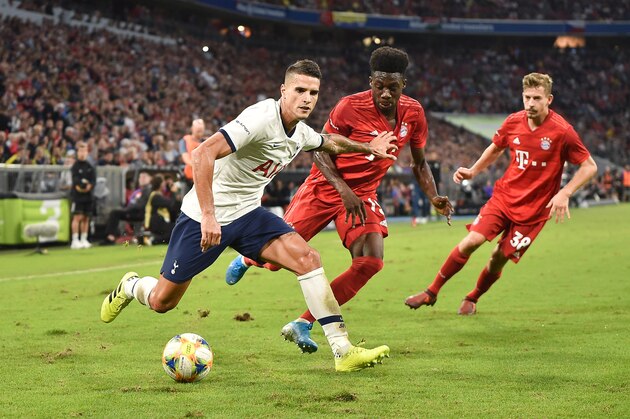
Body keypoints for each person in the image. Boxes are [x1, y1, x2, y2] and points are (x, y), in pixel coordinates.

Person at [100, 59, 398, 372]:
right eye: (300, 90)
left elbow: (330, 142)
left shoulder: (299, 133)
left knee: (308, 258)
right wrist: (209, 216)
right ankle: (132, 286)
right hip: (203, 218)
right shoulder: (260, 118)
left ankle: (343, 350)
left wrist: (369, 147)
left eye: (313, 92)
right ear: (283, 91)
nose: (307, 98)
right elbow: (202, 153)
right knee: (163, 301)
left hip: (249, 215)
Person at [225, 46, 453, 353]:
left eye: (393, 87)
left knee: (370, 262)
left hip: (363, 196)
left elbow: (420, 163)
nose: (385, 93)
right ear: (371, 81)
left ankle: (302, 323)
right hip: (324, 188)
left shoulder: (414, 113)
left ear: (403, 86)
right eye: (379, 85)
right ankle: (248, 258)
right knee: (275, 262)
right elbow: (320, 149)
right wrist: (343, 190)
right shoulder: (349, 107)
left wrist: (434, 195)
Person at [404, 72, 598, 315]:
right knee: (471, 241)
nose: (530, 103)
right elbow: (496, 148)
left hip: (534, 212)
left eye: (537, 98)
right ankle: (431, 292)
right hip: (504, 198)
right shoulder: (513, 121)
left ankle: (472, 298)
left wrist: (565, 192)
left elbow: (590, 166)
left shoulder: (563, 132)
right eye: (527, 97)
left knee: (498, 257)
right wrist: (474, 170)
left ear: (549, 99)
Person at [101, 171, 153, 245]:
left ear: (150, 179)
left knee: (115, 213)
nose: (142, 179)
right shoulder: (138, 191)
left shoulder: (148, 190)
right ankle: (110, 236)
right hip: (132, 211)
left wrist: (128, 208)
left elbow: (141, 205)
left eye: (144, 177)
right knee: (114, 212)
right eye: (140, 177)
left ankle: (110, 237)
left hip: (139, 213)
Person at [70, 142, 96, 249]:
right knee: (77, 217)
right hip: (78, 196)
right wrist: (82, 186)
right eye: (80, 151)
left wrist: (89, 186)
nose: (82, 153)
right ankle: (75, 240)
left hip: (88, 196)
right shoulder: (75, 166)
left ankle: (84, 239)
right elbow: (76, 181)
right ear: (77, 152)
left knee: (86, 217)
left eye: (84, 151)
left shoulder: (90, 166)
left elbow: (93, 180)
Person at [143, 174, 180, 245]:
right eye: (163, 182)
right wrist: (173, 192)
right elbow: (171, 204)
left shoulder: (157, 195)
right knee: (176, 230)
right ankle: (153, 240)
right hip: (156, 223)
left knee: (175, 229)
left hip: (159, 222)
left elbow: (173, 206)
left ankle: (152, 239)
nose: (165, 183)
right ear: (160, 184)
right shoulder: (155, 196)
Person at [179, 118, 205, 194]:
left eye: (201, 129)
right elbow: (185, 158)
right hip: (189, 180)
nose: (199, 132)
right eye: (197, 129)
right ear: (192, 129)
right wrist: (198, 165)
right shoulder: (185, 140)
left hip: (202, 180)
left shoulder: (207, 142)